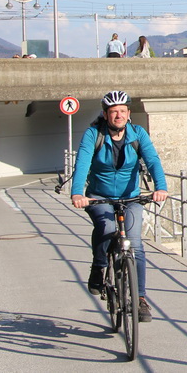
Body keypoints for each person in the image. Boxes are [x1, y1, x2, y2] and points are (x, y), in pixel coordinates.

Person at [71, 90, 168, 322]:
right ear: (105, 114)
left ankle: (141, 298)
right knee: (105, 228)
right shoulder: (93, 134)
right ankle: (99, 266)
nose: (118, 116)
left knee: (135, 244)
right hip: (99, 197)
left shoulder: (138, 134)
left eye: (122, 111)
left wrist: (160, 187)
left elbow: (152, 160)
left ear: (128, 113)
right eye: (113, 112)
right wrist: (77, 193)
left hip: (131, 197)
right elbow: (82, 162)